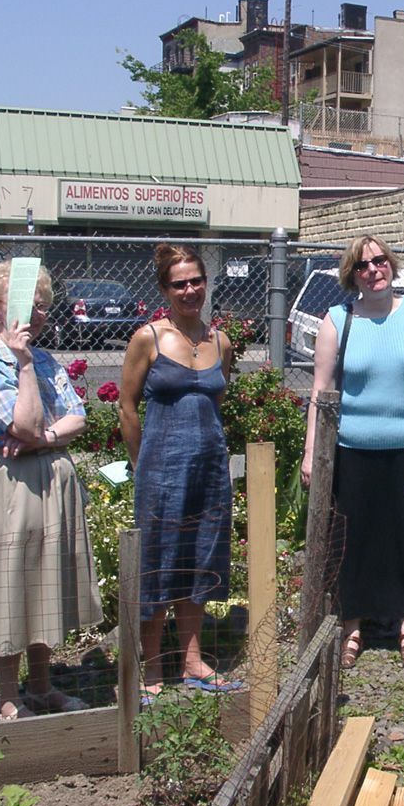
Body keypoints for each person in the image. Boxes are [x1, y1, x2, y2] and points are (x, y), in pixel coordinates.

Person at [0, 261, 102, 721]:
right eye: (30, 307)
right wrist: (21, 367)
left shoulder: (45, 359)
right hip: (8, 482)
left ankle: (41, 686)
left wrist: (48, 438)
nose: (39, 316)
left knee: (44, 581)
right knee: (9, 580)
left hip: (47, 473)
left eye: (43, 307)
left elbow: (76, 417)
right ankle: (8, 694)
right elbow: (24, 422)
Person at [300, 235, 404, 670]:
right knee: (352, 538)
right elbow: (320, 390)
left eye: (380, 261)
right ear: (353, 275)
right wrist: (312, 451)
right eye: (363, 265)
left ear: (392, 265)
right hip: (351, 451)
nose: (373, 270)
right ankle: (353, 625)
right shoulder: (336, 321)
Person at [120, 244, 236, 699]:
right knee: (159, 562)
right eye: (179, 284)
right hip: (160, 471)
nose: (189, 290)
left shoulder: (220, 341)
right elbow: (127, 406)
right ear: (164, 290)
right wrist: (139, 462)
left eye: (196, 281)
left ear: (206, 282)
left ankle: (190, 659)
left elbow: (214, 403)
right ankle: (152, 664)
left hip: (209, 470)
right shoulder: (148, 337)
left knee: (201, 558)